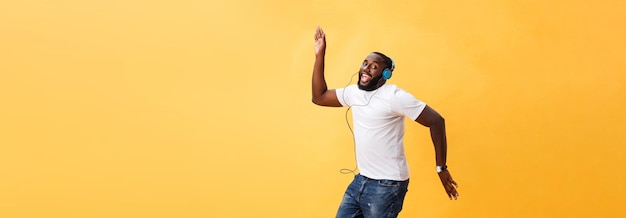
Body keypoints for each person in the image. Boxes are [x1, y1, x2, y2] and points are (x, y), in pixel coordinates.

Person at [311, 26, 459, 218]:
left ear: (386, 74)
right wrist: (319, 55)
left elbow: (436, 121)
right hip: (362, 179)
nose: (366, 69)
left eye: (374, 67)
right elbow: (319, 97)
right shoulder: (354, 93)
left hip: (388, 185)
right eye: (365, 63)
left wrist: (441, 168)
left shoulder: (394, 96)